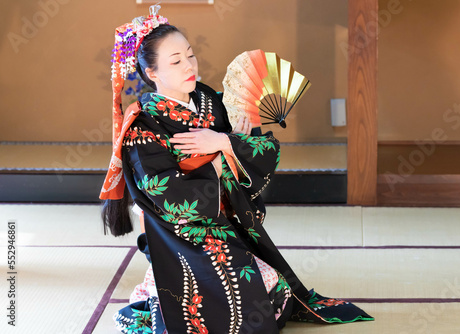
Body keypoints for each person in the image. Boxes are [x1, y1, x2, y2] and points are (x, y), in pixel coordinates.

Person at [101, 5, 373, 334]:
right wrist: (218, 158)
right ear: (152, 73)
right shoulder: (142, 126)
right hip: (182, 232)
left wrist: (227, 140)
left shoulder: (210, 101)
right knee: (237, 306)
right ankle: (158, 286)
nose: (189, 66)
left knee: (274, 289)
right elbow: (173, 200)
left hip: (228, 221)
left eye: (190, 55)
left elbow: (265, 150)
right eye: (176, 61)